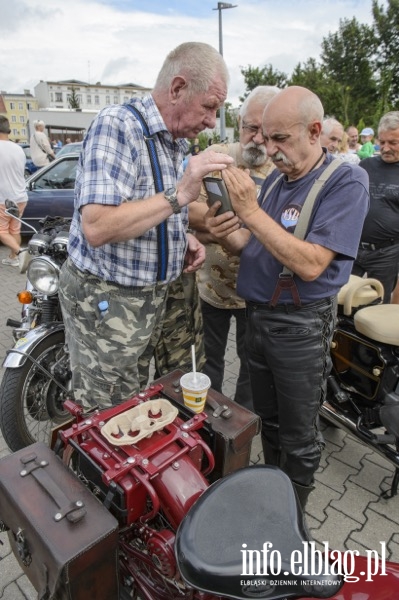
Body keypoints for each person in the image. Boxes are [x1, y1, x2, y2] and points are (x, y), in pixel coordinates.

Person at [205, 86, 369, 507]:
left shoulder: (345, 180)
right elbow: (263, 248)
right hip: (259, 318)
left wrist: (252, 213)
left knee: (299, 437)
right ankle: (273, 502)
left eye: (280, 138)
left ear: (315, 131)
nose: (269, 149)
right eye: (263, 136)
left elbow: (312, 263)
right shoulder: (281, 177)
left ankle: (291, 526)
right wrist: (232, 237)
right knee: (271, 424)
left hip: (299, 327)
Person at [58, 41, 233, 409]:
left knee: (176, 396)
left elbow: (145, 208)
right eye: (210, 107)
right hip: (111, 303)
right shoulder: (117, 125)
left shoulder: (175, 140)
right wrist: (180, 195)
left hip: (162, 294)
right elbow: (98, 226)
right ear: (178, 88)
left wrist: (179, 236)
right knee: (111, 416)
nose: (212, 121)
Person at [189, 85, 280, 411]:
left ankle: (240, 425)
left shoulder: (282, 167)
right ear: (239, 123)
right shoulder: (216, 157)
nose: (256, 138)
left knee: (251, 363)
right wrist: (221, 225)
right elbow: (187, 207)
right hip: (210, 287)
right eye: (249, 127)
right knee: (209, 359)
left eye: (263, 130)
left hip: (255, 293)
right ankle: (208, 420)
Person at [352, 111, 399, 303]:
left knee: (377, 303)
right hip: (353, 247)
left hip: (386, 253)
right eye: (382, 142)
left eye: (393, 143)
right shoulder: (366, 165)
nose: (385, 148)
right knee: (342, 298)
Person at [0, 117, 28, 267]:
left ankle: (20, 253)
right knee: (14, 229)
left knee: (2, 231)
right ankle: (13, 258)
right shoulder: (18, 148)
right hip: (20, 196)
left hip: (3, 198)